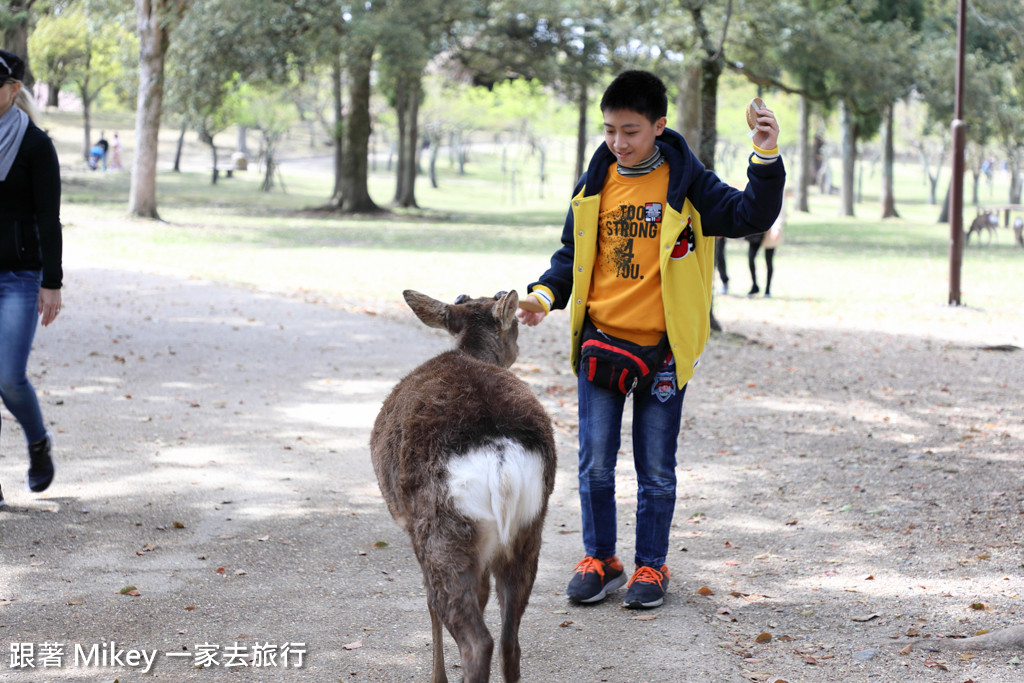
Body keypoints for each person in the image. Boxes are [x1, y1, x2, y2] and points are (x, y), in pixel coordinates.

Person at [516, 70, 784, 609]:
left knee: (655, 468)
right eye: (610, 130)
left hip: (663, 353)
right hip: (601, 346)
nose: (618, 142)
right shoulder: (594, 184)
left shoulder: (689, 184)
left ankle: (651, 566)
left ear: (659, 127)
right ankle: (601, 559)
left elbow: (750, 214)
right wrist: (544, 296)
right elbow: (571, 256)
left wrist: (766, 155)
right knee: (594, 462)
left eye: (631, 131)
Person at [0, 50, 62, 506]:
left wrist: (52, 282)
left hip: (20, 275)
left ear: (13, 90)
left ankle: (38, 443)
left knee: (8, 377)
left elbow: (48, 219)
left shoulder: (36, 145)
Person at [745, 195, 785, 296]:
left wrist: (777, 228)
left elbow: (781, 209)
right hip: (756, 230)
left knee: (768, 261)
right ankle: (754, 286)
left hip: (771, 230)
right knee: (751, 258)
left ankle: (767, 289)